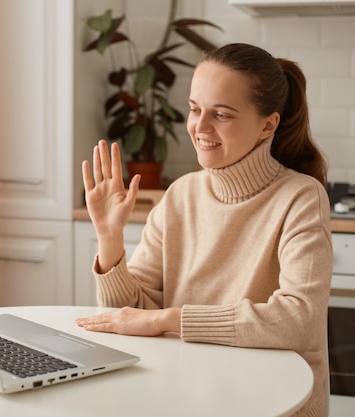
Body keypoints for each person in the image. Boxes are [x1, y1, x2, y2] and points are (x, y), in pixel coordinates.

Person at [77, 43, 332, 417]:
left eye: (222, 115)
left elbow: (299, 320)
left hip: (275, 400)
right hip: (189, 391)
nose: (200, 127)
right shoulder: (181, 194)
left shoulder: (301, 197)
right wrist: (109, 239)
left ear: (268, 124)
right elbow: (131, 317)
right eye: (195, 109)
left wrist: (168, 318)